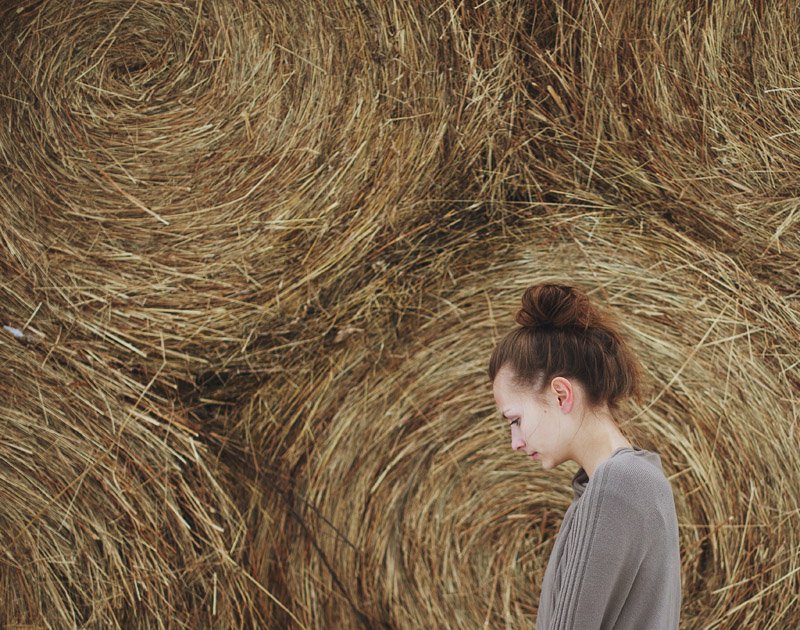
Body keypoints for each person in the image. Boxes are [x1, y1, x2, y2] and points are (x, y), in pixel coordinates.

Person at [488, 283, 681, 629]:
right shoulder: (628, 482)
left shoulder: (618, 484)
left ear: (561, 395)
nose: (515, 442)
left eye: (515, 420)